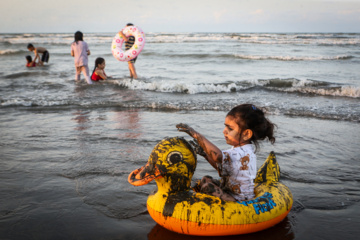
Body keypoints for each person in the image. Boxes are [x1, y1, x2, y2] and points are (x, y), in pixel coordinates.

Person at [176, 104, 276, 202]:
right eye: (225, 127)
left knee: (208, 187)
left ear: (246, 134)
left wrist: (197, 135)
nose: (224, 131)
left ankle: (199, 204)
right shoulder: (237, 150)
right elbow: (223, 168)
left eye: (230, 128)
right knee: (205, 179)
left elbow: (218, 156)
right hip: (229, 191)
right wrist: (206, 155)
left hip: (240, 199)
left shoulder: (243, 153)